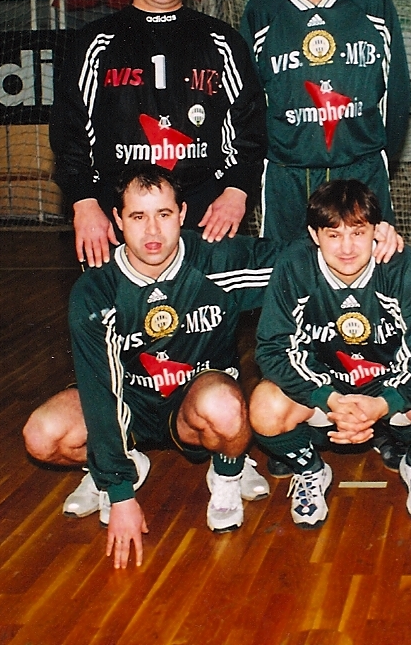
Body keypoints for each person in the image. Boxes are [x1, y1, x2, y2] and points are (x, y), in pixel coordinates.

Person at [21, 167, 279, 568]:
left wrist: (375, 239)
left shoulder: (217, 260)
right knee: (42, 435)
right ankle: (119, 465)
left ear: (183, 214)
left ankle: (227, 473)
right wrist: (120, 493)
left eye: (163, 214)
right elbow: (100, 390)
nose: (152, 230)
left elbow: (310, 258)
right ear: (118, 220)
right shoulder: (97, 289)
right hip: (129, 404)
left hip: (194, 402)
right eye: (138, 217)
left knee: (226, 408)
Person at [51, 0, 268, 268]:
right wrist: (84, 202)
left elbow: (250, 127)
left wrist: (236, 190)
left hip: (205, 213)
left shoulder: (222, 42)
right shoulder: (94, 43)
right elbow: (70, 132)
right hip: (116, 216)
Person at [250, 179, 411, 527]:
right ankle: (310, 470)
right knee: (264, 406)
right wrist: (328, 398)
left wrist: (384, 404)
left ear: (376, 231)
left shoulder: (400, 265)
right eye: (334, 235)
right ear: (314, 235)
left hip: (388, 387)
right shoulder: (295, 265)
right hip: (324, 390)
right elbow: (274, 348)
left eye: (358, 232)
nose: (347, 247)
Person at [240, 0, 410, 241]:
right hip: (288, 173)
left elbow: (396, 92)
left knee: (369, 265)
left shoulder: (372, 4)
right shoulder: (262, 12)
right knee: (286, 267)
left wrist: (375, 153)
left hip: (360, 168)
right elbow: (248, 101)